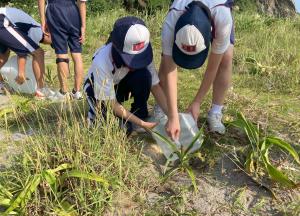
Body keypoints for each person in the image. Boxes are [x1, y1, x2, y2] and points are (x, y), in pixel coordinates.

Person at [158, 0, 235, 140]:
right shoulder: (172, 19)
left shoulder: (222, 18)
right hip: (183, 11)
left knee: (226, 57)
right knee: (165, 60)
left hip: (216, 10)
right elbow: (170, 68)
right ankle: (162, 106)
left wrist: (197, 102)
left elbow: (213, 67)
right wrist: (173, 115)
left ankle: (215, 112)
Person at [83, 16, 168, 133]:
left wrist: (173, 116)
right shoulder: (102, 62)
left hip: (120, 83)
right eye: (131, 59)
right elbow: (112, 103)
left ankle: (140, 113)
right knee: (121, 130)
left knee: (144, 75)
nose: (135, 65)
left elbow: (155, 86)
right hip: (97, 90)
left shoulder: (143, 49)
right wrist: (143, 124)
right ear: (117, 49)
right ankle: (95, 114)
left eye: (139, 59)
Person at [38, 0, 86, 100]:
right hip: (74, 12)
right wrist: (83, 26)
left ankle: (64, 92)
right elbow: (82, 2)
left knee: (61, 53)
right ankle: (77, 91)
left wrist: (43, 21)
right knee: (77, 53)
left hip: (55, 12)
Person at [0, 7, 53, 98]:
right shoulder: (38, 30)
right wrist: (21, 72)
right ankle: (41, 89)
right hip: (3, 20)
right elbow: (22, 50)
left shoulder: (34, 28)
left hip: (4, 22)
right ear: (48, 33)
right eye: (53, 42)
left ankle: (1, 84)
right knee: (39, 53)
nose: (51, 44)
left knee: (2, 57)